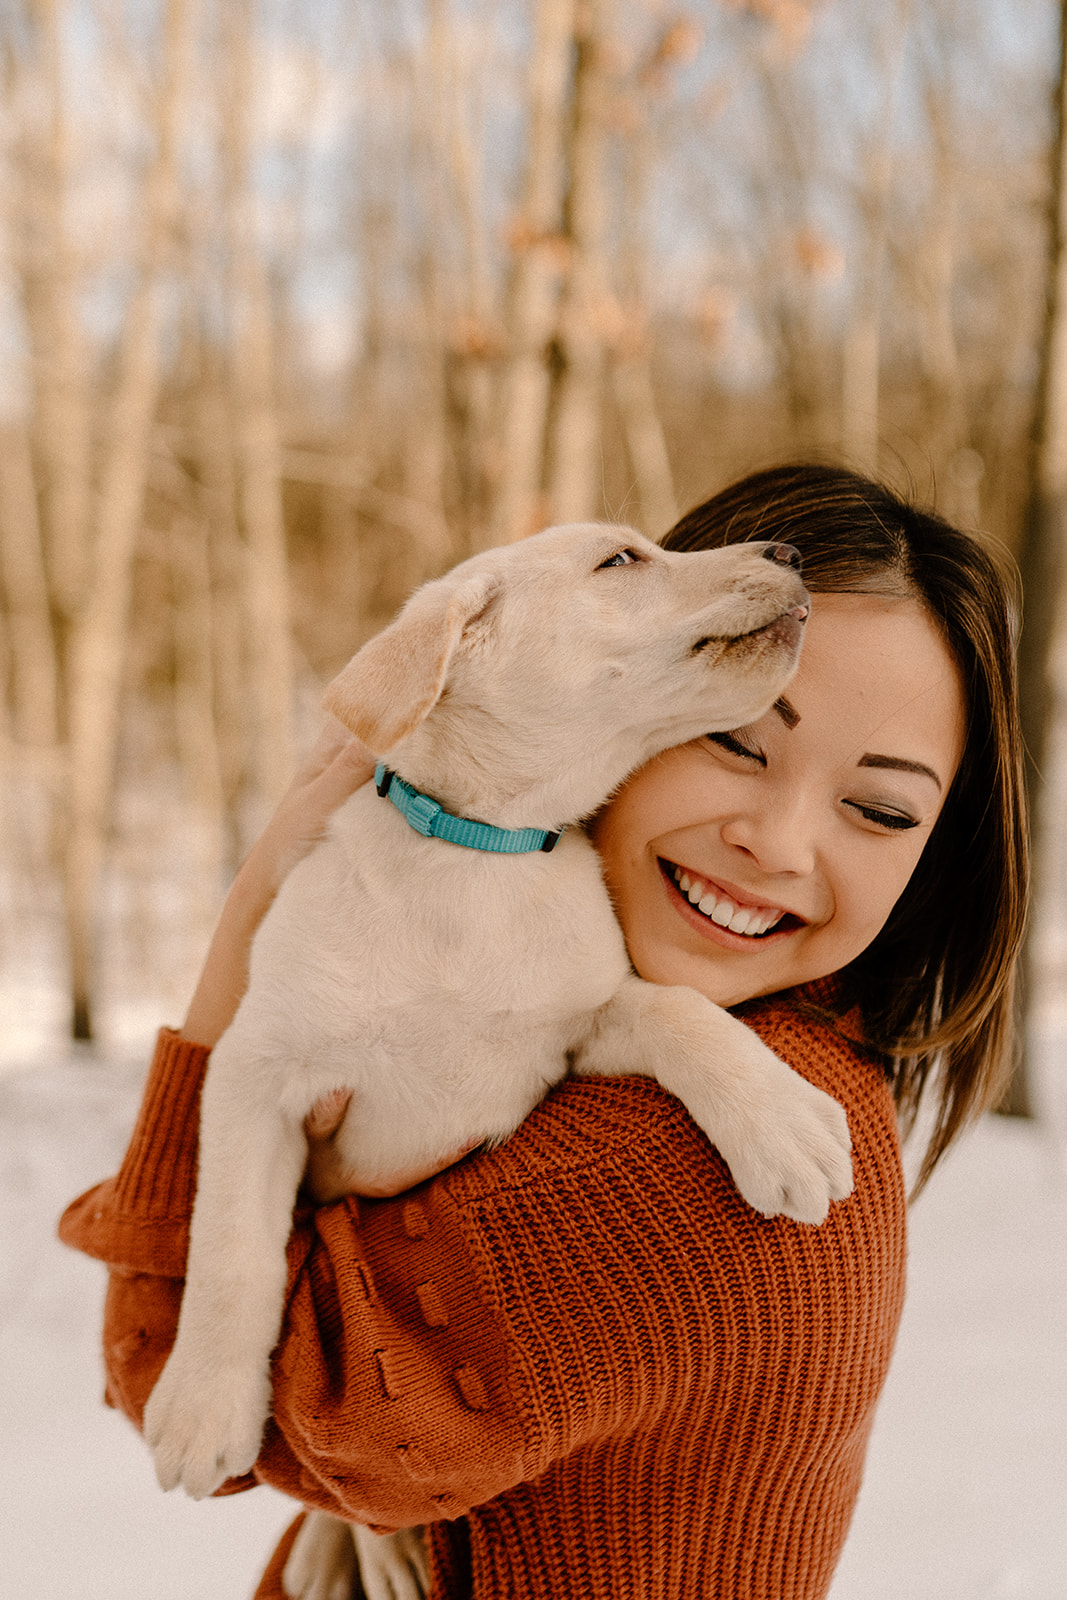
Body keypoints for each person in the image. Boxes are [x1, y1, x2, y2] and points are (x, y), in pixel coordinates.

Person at [59, 463, 1028, 1600]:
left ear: (933, 864)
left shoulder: (685, 1161)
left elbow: (178, 1368)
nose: (774, 843)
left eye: (877, 808)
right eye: (735, 735)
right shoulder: (648, 997)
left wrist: (241, 942)